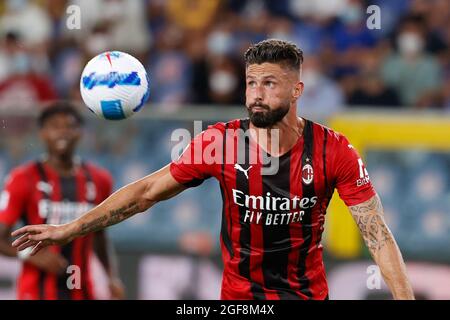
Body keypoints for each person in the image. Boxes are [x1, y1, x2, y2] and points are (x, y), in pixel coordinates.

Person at [11, 40, 414, 300]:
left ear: (297, 91)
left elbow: (375, 232)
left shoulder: (334, 150)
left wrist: (403, 297)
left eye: (270, 83)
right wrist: (68, 229)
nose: (256, 94)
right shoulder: (219, 142)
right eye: (251, 83)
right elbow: (146, 193)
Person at [0, 102, 124, 300]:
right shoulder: (23, 178)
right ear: (42, 133)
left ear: (80, 132)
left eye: (70, 126)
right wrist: (32, 256)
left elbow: (100, 235)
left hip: (82, 291)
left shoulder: (100, 180)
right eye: (55, 126)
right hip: (36, 292)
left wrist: (111, 277)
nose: (63, 132)